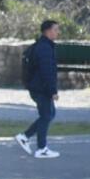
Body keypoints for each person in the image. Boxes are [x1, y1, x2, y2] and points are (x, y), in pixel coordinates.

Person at [16, 20, 60, 159]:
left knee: (49, 114)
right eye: (55, 29)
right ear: (47, 31)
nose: (57, 32)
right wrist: (52, 91)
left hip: (38, 87)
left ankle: (27, 138)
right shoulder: (44, 48)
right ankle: (39, 147)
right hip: (40, 88)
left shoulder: (44, 45)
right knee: (47, 115)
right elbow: (46, 71)